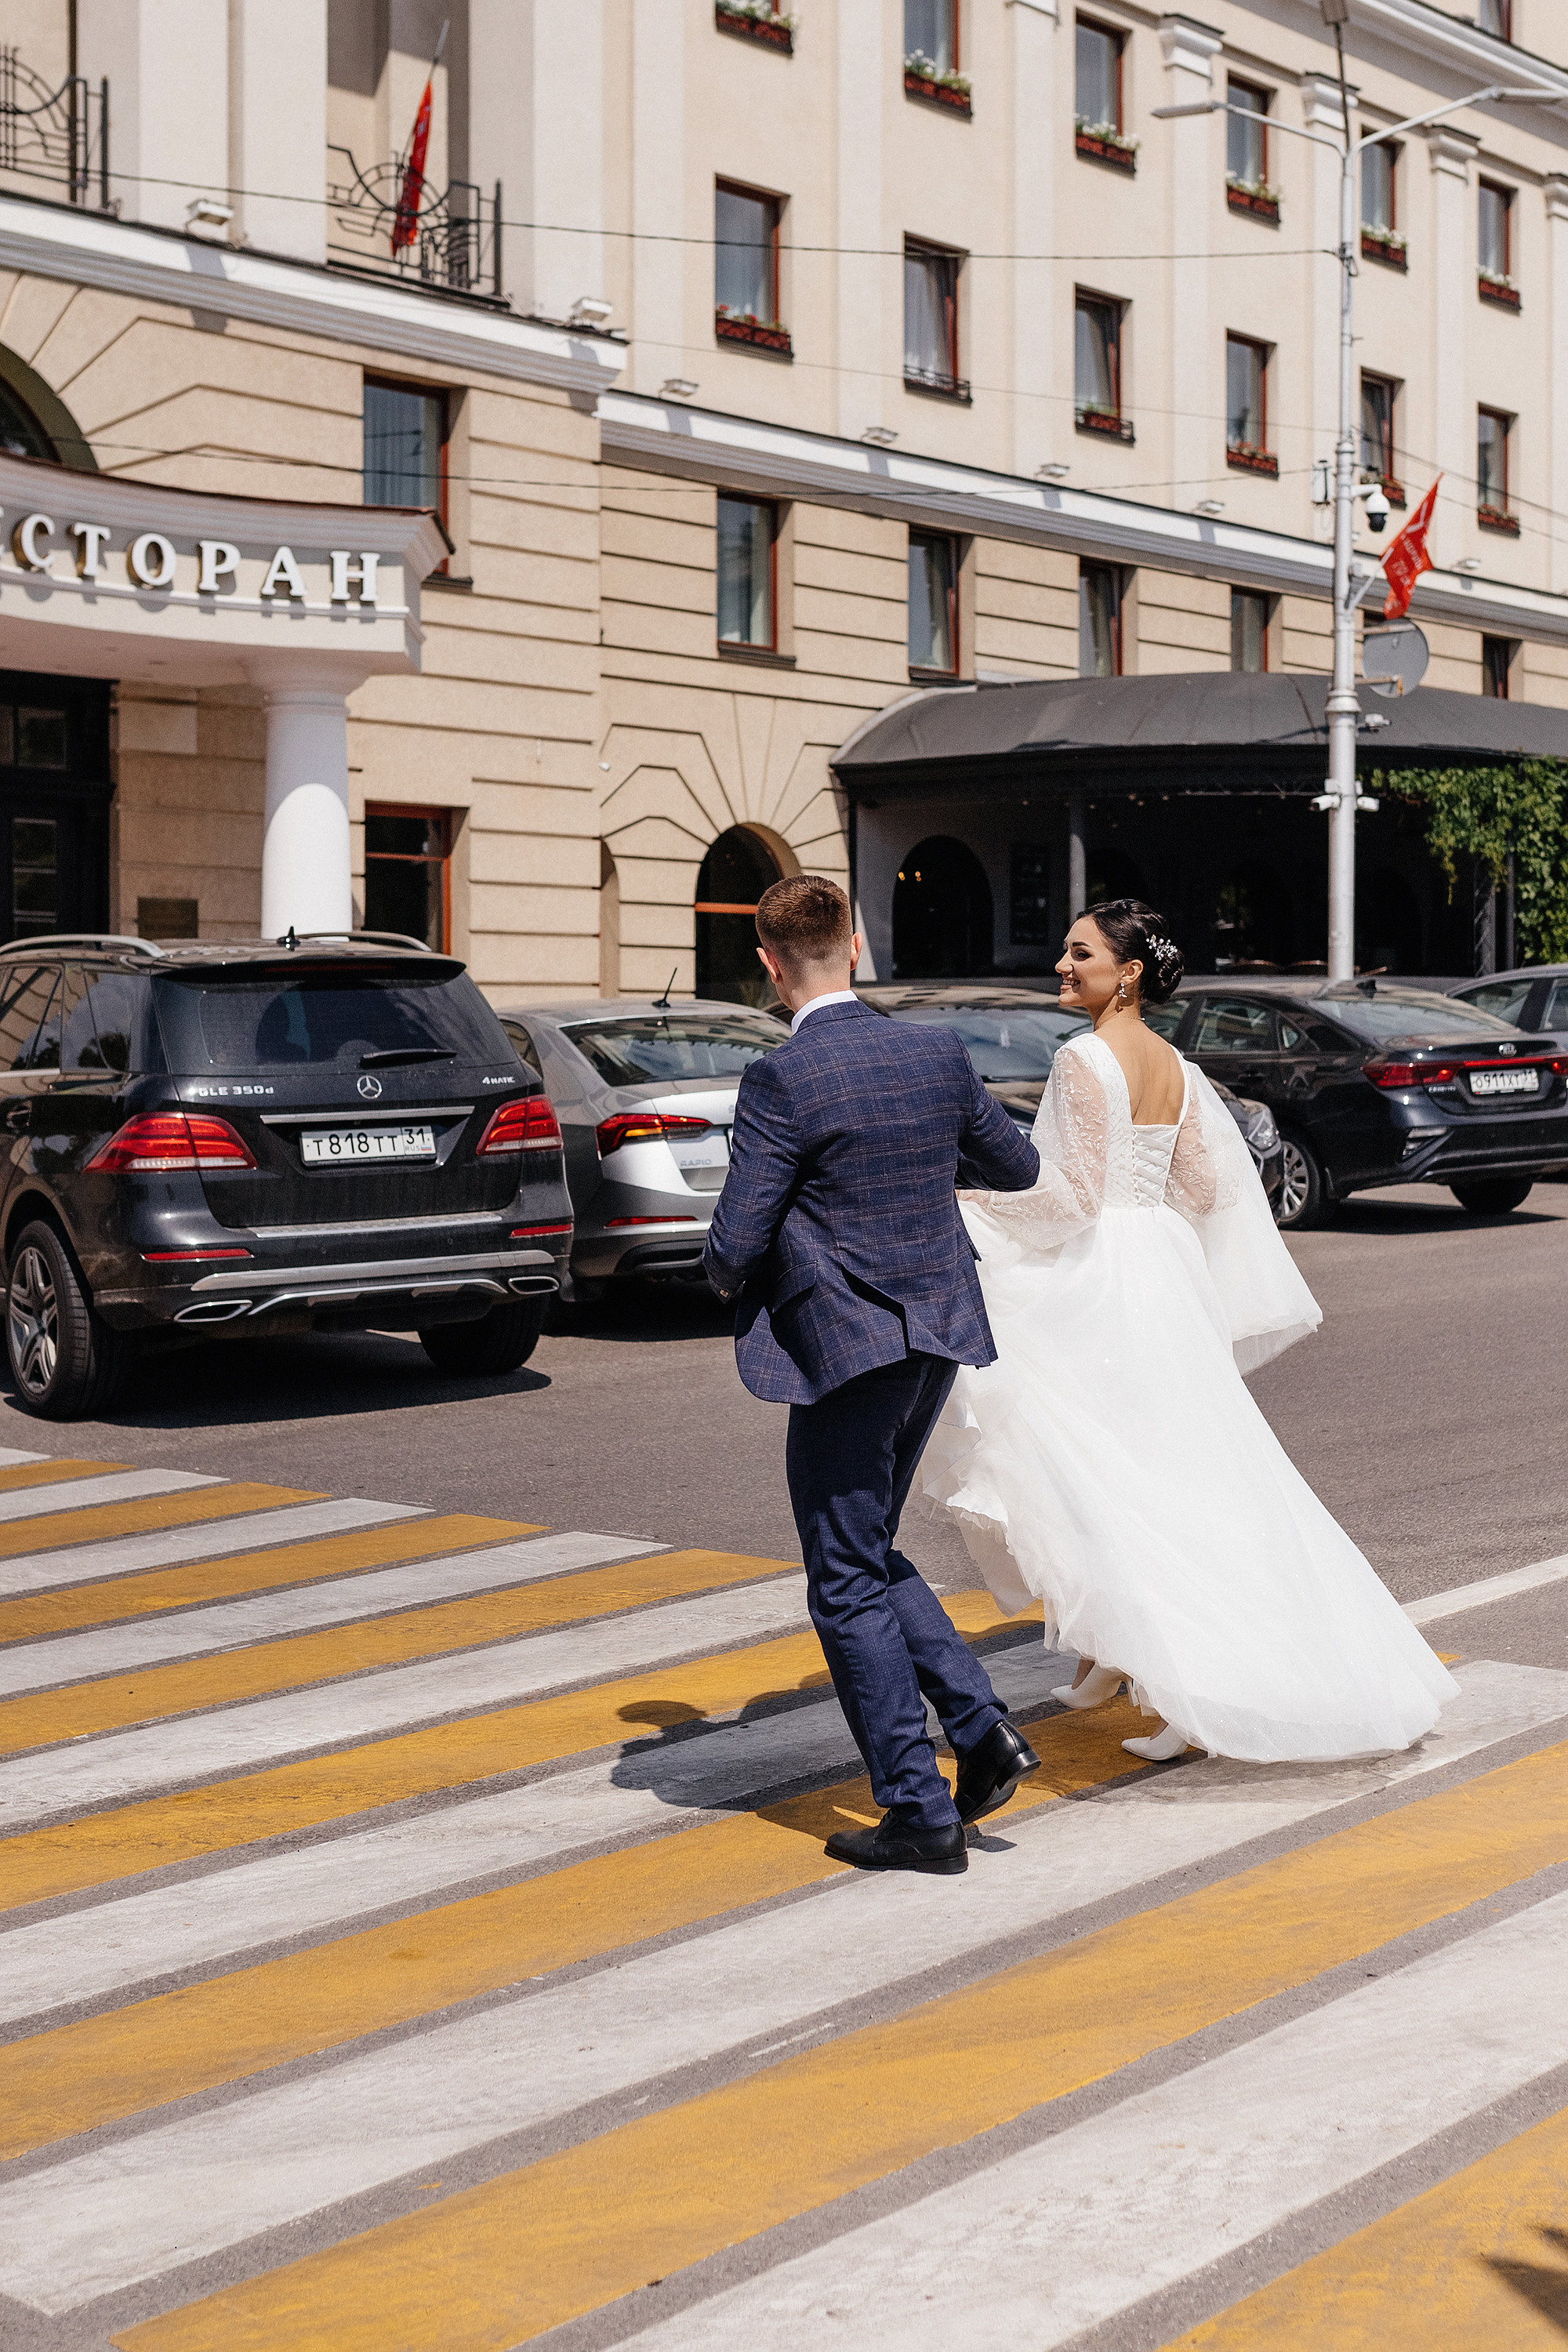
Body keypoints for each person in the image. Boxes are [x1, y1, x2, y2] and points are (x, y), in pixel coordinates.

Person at [923, 898, 1457, 1764]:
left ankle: (1190, 1690)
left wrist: (965, 1205)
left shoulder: (1081, 1058)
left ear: (1125, 972)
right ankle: (1109, 1656)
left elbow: (1070, 1201)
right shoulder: (1171, 1060)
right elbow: (1205, 1189)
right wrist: (1145, 1223)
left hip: (1102, 1281)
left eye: (1078, 952)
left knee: (1114, 1479)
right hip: (1159, 1274)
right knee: (1162, 1468)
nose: (1061, 965)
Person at [704, 875, 1044, 1876]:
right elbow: (1016, 1167)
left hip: (847, 1350)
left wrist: (741, 1270)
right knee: (866, 1547)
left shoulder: (780, 1078)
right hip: (936, 1329)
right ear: (852, 947)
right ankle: (980, 1733)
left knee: (841, 1574)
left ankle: (916, 1810)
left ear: (768, 966)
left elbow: (733, 1242)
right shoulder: (930, 1052)